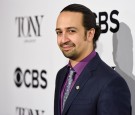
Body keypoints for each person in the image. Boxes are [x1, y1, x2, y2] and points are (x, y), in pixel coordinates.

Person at [54, 3, 131, 115]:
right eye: (59, 32)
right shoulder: (61, 75)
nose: (63, 39)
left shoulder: (111, 83)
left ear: (90, 34)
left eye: (71, 31)